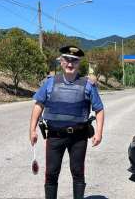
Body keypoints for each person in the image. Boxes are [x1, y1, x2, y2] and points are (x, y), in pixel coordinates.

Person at [29, 45, 105, 199]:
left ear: (79, 63)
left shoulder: (88, 85)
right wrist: (32, 130)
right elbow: (38, 105)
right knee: (51, 174)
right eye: (67, 60)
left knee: (78, 173)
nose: (70, 64)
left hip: (79, 137)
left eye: (74, 61)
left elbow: (99, 109)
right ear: (61, 61)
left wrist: (99, 132)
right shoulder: (50, 83)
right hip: (55, 136)